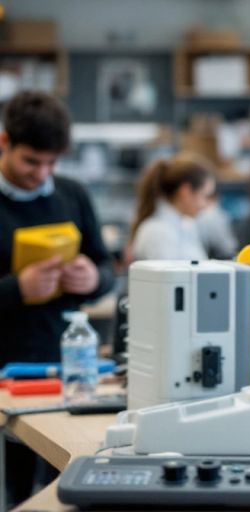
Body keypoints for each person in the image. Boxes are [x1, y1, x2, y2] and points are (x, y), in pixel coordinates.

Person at [0, 90, 115, 506]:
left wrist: (92, 278)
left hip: (64, 366)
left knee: (63, 476)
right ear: (4, 142)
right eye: (32, 161)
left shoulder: (72, 194)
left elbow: (105, 268)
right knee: (14, 487)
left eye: (52, 162)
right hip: (6, 371)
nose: (41, 173)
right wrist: (17, 289)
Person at [127, 153, 216, 262]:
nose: (206, 205)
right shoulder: (158, 231)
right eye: (205, 196)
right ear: (185, 192)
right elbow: (169, 278)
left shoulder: (186, 225)